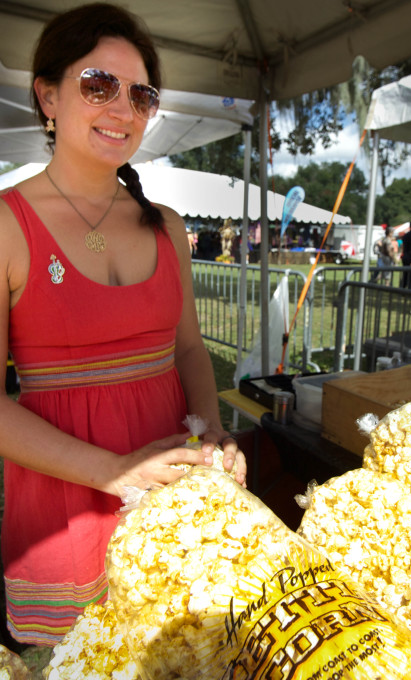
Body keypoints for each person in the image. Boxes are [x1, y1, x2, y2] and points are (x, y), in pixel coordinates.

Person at [0, 3, 247, 647]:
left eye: (141, 95)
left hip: (173, 499)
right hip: (66, 505)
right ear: (48, 96)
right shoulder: (6, 224)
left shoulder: (166, 224)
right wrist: (114, 472)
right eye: (98, 85)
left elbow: (189, 349)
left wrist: (215, 431)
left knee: (181, 651)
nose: (123, 109)